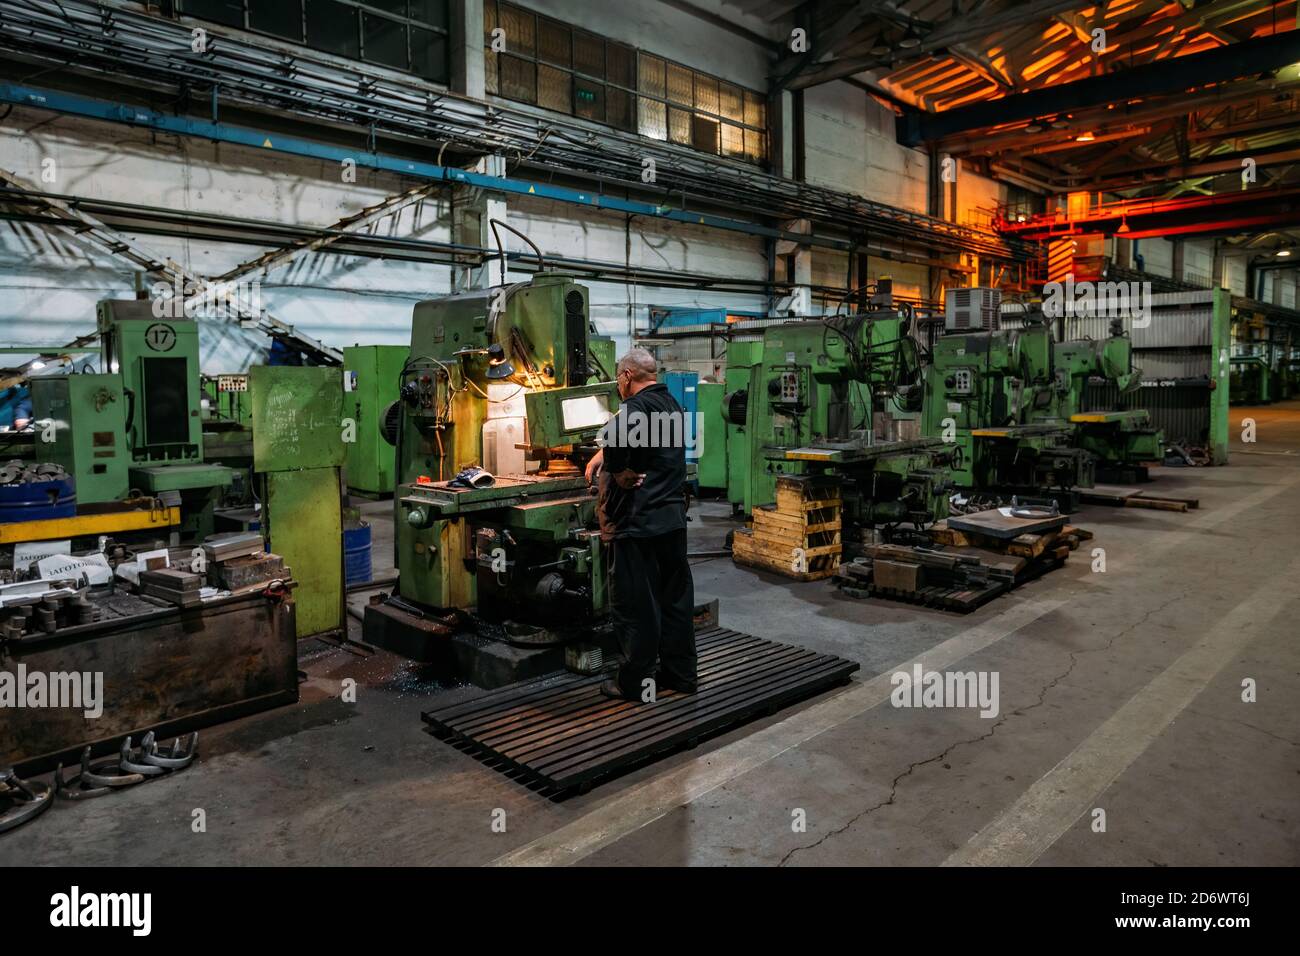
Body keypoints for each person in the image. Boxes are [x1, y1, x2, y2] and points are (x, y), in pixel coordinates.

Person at [585, 348, 697, 702]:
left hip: (638, 524)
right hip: (671, 521)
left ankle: (634, 684)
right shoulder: (671, 405)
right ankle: (681, 677)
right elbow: (644, 440)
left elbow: (619, 435)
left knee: (637, 607)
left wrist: (616, 471)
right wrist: (606, 453)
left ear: (627, 376)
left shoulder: (634, 406)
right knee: (674, 603)